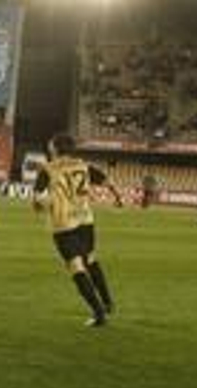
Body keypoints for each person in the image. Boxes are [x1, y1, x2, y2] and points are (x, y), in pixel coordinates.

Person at [33, 133, 123, 327]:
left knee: (76, 267)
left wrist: (43, 204)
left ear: (55, 148)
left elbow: (38, 199)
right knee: (90, 259)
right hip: (85, 220)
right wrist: (117, 197)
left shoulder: (48, 169)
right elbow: (106, 181)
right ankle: (107, 302)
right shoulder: (83, 166)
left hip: (64, 223)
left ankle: (98, 314)